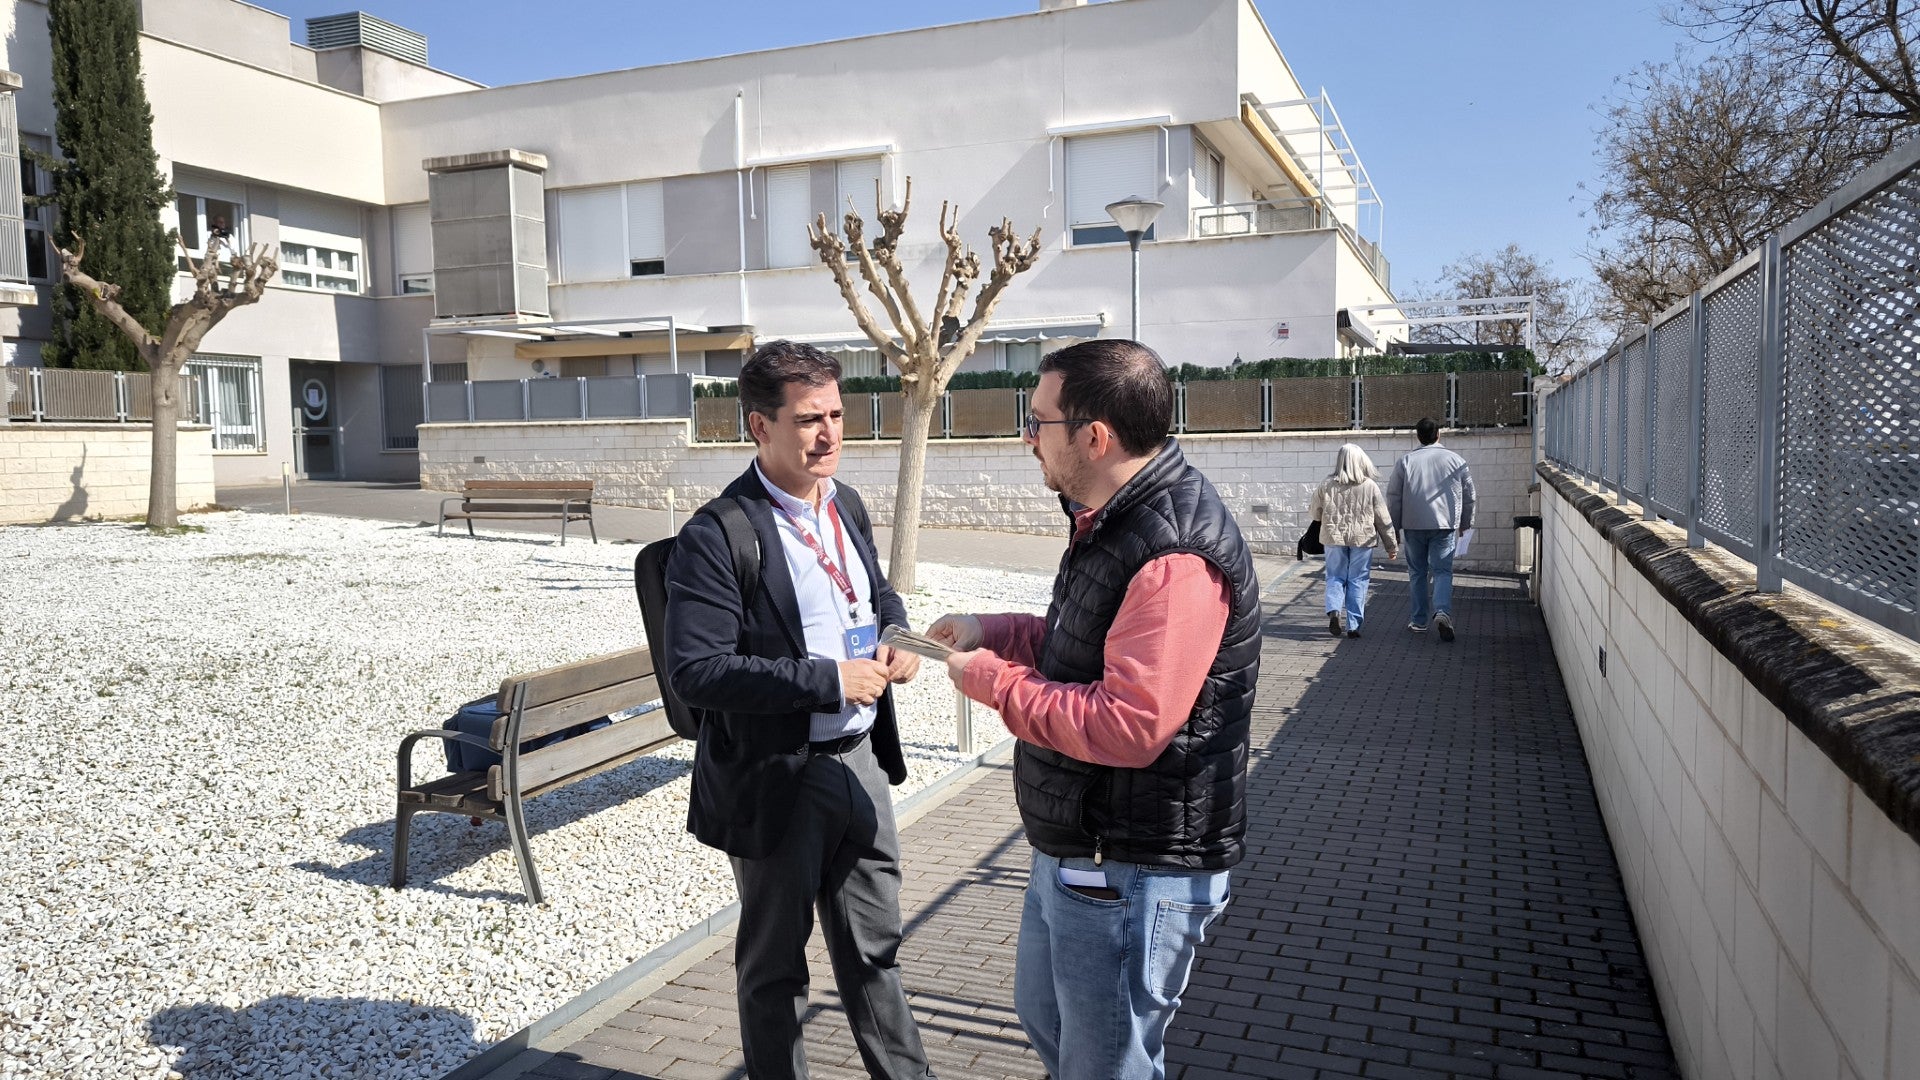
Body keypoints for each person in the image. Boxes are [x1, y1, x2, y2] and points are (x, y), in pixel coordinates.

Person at [926, 339, 1262, 1080]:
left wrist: (992, 682)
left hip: (1131, 870)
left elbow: (1129, 724)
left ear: (1094, 436)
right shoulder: (1113, 518)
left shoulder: (1172, 552)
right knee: (1052, 1026)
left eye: (1038, 420)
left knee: (1103, 1066)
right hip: (1085, 853)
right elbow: (1088, 644)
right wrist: (1000, 633)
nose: (1026, 437)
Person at [662, 340, 935, 1080]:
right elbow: (698, 670)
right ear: (759, 427)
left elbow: (878, 596)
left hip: (861, 764)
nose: (831, 434)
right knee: (776, 972)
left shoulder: (846, 503)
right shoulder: (720, 534)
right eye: (810, 419)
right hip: (776, 779)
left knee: (876, 955)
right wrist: (826, 680)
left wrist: (896, 637)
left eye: (838, 415)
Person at [1383, 417, 1476, 642]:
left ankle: (1419, 621)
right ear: (1438, 435)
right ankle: (1442, 611)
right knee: (1443, 571)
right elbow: (1469, 495)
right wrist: (1466, 523)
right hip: (1444, 525)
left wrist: (1393, 527)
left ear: (1418, 436)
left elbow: (1394, 496)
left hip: (1413, 525)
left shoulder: (1405, 461)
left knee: (1417, 572)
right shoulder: (1456, 460)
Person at [1310, 443, 1398, 638]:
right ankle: (1353, 625)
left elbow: (1315, 512)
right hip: (1363, 539)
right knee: (1358, 579)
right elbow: (1383, 519)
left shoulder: (1327, 484)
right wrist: (1391, 545)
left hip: (1333, 537)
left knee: (1335, 576)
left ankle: (1334, 610)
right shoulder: (1369, 486)